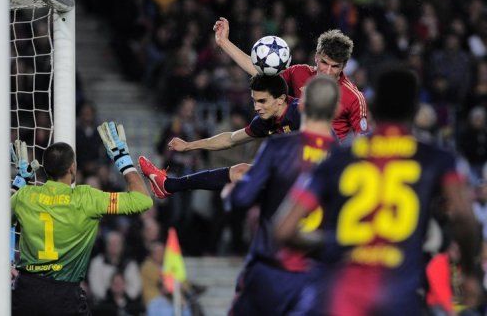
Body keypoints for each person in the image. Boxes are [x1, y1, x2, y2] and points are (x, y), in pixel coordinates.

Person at [274, 68, 482, 315]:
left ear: (371, 105)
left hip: (339, 299)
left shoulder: (338, 157)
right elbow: (465, 219)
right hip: (399, 298)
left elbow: (283, 229)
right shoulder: (438, 159)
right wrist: (469, 273)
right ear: (415, 110)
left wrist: (334, 243)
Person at [11, 121, 154, 316]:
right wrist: (123, 161)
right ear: (72, 168)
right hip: (65, 297)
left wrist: (19, 183)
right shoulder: (86, 198)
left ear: (43, 168)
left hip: (26, 293)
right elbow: (142, 200)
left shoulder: (24, 196)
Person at [225, 75, 339, 315]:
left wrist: (231, 191)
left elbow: (242, 199)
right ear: (336, 109)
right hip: (315, 277)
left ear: (303, 106)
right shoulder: (344, 160)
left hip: (270, 270)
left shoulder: (279, 147)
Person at [140, 74, 301, 198]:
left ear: (280, 99)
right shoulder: (265, 121)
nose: (257, 107)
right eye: (254, 101)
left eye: (262, 101)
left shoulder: (301, 112)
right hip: (295, 179)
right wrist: (189, 145)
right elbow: (230, 139)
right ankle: (168, 185)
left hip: (317, 178)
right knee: (240, 172)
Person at [213, 17, 368, 141]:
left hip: (327, 165)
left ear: (344, 66)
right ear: (316, 57)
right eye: (324, 63)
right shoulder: (299, 73)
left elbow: (363, 141)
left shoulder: (354, 97)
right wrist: (224, 42)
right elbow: (259, 71)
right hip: (294, 154)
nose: (327, 71)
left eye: (335, 66)